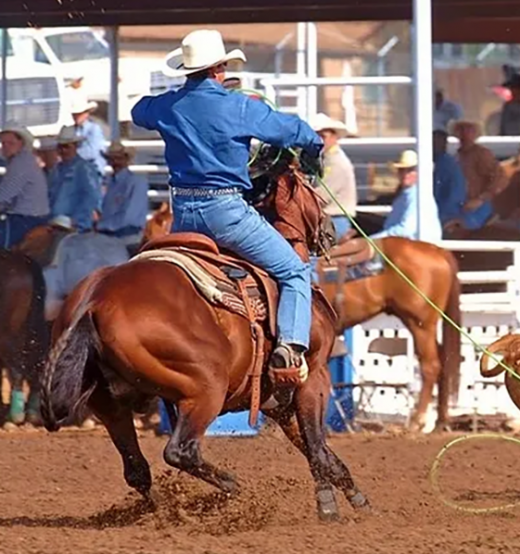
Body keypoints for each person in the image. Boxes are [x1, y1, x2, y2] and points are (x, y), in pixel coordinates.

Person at [131, 29, 325, 376]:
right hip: (227, 213)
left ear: (187, 70)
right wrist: (313, 145)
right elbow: (290, 130)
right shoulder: (239, 106)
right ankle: (289, 347)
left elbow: (138, 111)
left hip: (184, 216)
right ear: (218, 69)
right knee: (295, 272)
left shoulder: (168, 107)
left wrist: (170, 104)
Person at [371, 150, 442, 242]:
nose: (405, 174)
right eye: (402, 170)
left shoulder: (418, 195)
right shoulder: (406, 195)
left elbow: (406, 229)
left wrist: (374, 239)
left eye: (410, 170)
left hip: (415, 245)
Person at [0, 125, 50, 249]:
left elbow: (4, 196)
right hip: (31, 216)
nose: (5, 147)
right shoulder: (24, 160)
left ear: (21, 142)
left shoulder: (20, 163)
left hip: (26, 219)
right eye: (3, 143)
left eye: (10, 143)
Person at [451, 120, 507, 230]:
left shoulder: (482, 154)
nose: (465, 133)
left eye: (469, 130)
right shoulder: (457, 156)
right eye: (461, 129)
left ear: (476, 133)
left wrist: (480, 199)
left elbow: (499, 177)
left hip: (479, 206)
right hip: (461, 205)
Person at [310, 113, 357, 241]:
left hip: (334, 221)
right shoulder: (326, 160)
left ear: (334, 137)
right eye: (316, 137)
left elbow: (321, 197)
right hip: (328, 219)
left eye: (322, 137)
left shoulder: (337, 163)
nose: (319, 141)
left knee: (313, 259)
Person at [47, 126, 101, 233]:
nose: (63, 150)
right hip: (56, 223)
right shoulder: (56, 169)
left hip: (76, 226)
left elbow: (91, 197)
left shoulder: (84, 168)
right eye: (60, 147)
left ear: (75, 147)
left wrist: (77, 219)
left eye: (67, 147)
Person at [96, 142, 150, 247]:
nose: (115, 162)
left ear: (126, 160)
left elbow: (129, 217)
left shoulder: (137, 182)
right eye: (112, 159)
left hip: (129, 238)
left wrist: (100, 226)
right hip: (110, 238)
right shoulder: (110, 182)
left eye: (119, 158)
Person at [431, 128, 467, 229]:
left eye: (437, 142)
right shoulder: (437, 163)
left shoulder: (448, 164)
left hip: (446, 215)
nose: (434, 146)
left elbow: (456, 192)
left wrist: (447, 217)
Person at [69, 91, 107, 178]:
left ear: (86, 113)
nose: (76, 116)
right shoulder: (75, 130)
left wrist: (71, 154)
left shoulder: (94, 129)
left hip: (94, 172)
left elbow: (92, 152)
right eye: (74, 114)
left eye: (79, 114)